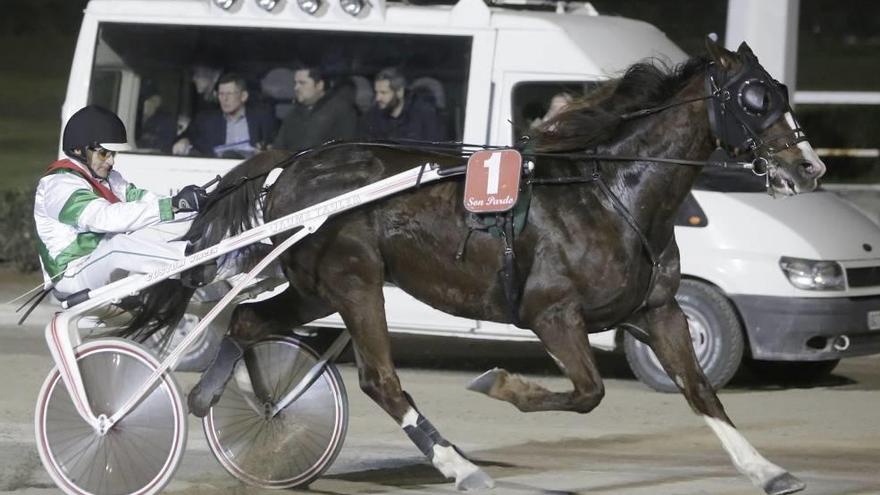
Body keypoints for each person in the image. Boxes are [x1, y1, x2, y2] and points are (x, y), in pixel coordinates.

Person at [35, 105, 209, 297]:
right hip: (73, 275)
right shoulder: (59, 184)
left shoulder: (110, 178)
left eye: (113, 154)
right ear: (78, 150)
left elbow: (146, 200)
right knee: (118, 245)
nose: (111, 161)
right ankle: (194, 262)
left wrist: (191, 206)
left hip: (102, 263)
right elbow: (107, 219)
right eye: (104, 153)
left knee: (161, 226)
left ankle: (208, 252)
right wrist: (173, 205)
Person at [173, 73, 276, 158]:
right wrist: (184, 141)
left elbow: (276, 145)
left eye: (229, 94)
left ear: (243, 96)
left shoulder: (262, 118)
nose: (224, 99)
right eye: (221, 94)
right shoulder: (205, 120)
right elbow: (186, 137)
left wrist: (267, 151)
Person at [272, 65, 357, 152]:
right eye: (295, 83)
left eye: (302, 83)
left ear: (319, 85)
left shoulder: (341, 110)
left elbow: (347, 148)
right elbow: (279, 148)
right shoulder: (292, 115)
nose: (296, 88)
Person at [361, 67, 445, 142]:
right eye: (377, 92)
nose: (378, 98)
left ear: (399, 92)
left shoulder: (425, 114)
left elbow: (435, 151)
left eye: (383, 93)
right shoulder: (373, 115)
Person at [135, 79, 177, 153]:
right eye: (140, 99)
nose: (142, 103)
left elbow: (164, 147)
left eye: (147, 99)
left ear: (157, 101)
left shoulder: (167, 121)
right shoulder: (132, 117)